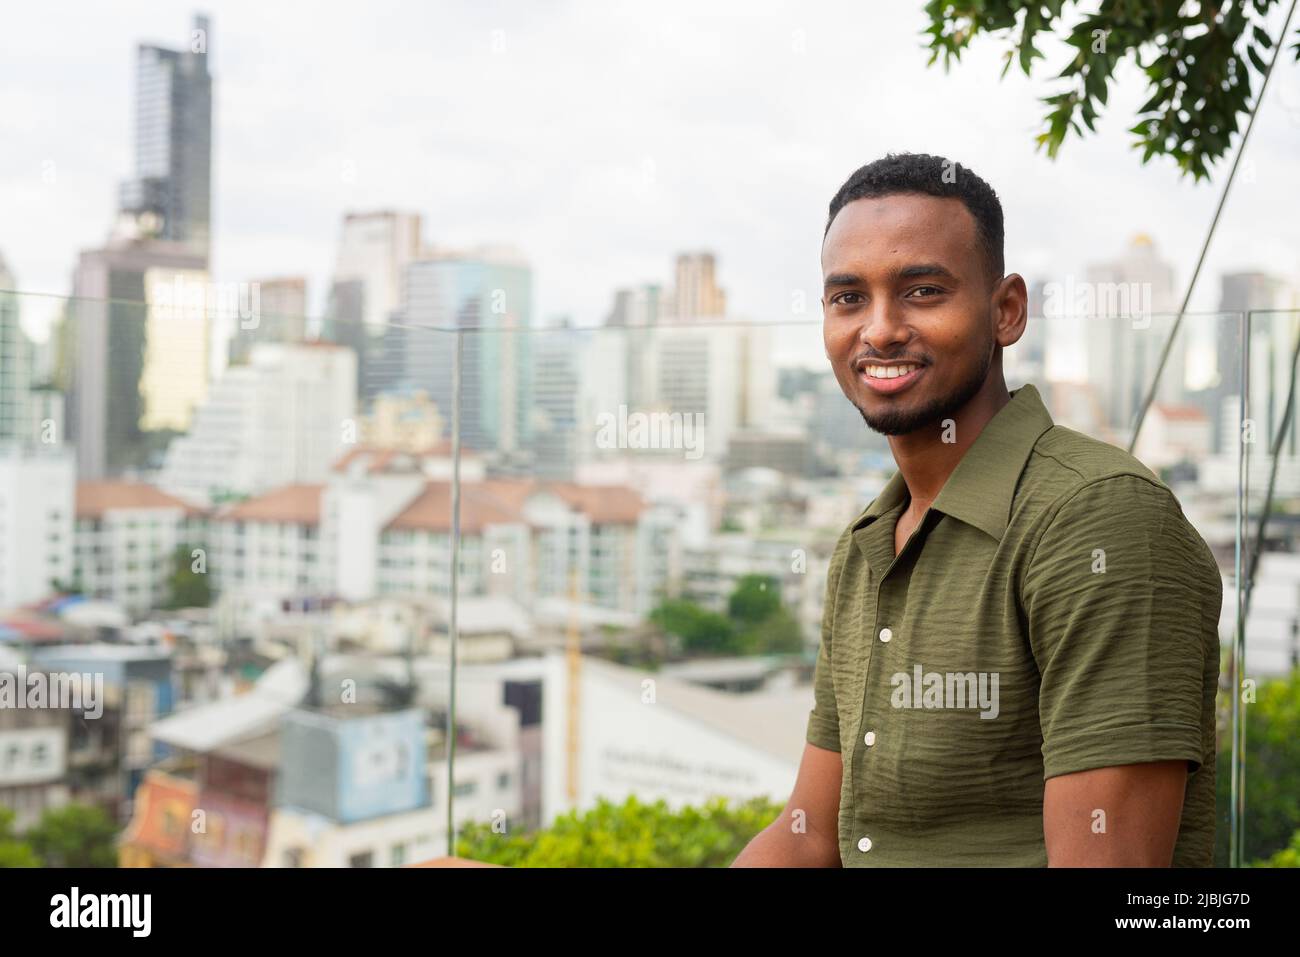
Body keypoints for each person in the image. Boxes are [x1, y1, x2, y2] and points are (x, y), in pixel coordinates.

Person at [732, 152, 1221, 867]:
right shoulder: (868, 541)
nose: (880, 329)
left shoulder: (1098, 519)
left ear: (1006, 310)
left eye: (922, 290)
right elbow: (808, 836)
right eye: (848, 298)